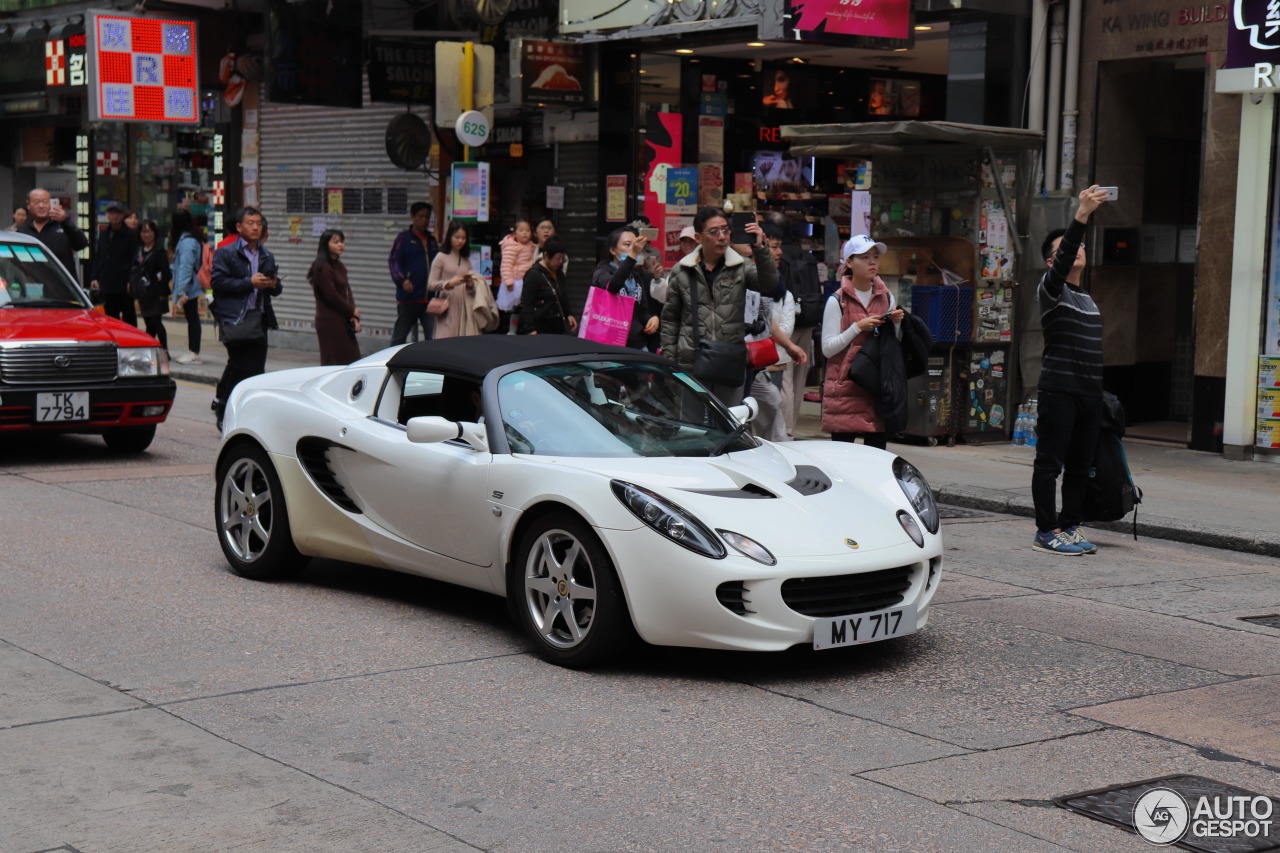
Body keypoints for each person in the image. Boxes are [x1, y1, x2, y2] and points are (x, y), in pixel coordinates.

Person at [1031, 185, 1112, 556]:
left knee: (1080, 465)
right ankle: (1046, 530)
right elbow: (1064, 258)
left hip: (1088, 395)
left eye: (1078, 244)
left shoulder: (1088, 297)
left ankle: (1071, 524)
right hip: (1059, 390)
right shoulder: (1051, 289)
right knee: (1050, 463)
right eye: (1065, 248)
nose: (1077, 249)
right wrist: (1081, 216)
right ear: (1052, 262)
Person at [660, 206, 778, 405]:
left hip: (729, 359)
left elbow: (769, 285)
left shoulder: (741, 266)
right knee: (693, 424)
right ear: (698, 238)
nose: (722, 237)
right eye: (714, 232)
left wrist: (761, 248)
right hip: (691, 362)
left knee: (730, 422)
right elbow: (670, 319)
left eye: (725, 230)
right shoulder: (682, 271)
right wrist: (671, 362)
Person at [820, 235, 903, 449]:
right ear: (849, 262)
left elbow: (892, 345)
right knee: (843, 460)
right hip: (845, 392)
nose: (872, 262)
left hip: (876, 389)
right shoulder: (837, 301)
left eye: (875, 257)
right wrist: (857, 327)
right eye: (865, 257)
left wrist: (896, 324)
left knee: (876, 462)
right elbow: (827, 349)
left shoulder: (886, 297)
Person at [211, 206, 281, 432]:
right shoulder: (227, 253)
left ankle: (247, 416)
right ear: (239, 227)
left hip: (259, 319)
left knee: (256, 371)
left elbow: (276, 289)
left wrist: (273, 285)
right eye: (250, 223)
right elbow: (218, 284)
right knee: (242, 367)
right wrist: (248, 283)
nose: (255, 227)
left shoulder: (266, 254)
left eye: (259, 223)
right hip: (235, 319)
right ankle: (223, 410)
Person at [764, 214, 822, 438]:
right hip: (806, 321)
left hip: (785, 325)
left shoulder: (776, 256)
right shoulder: (803, 254)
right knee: (799, 380)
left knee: (784, 378)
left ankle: (785, 430)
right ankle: (791, 426)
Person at [590, 227, 660, 350]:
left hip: (637, 343)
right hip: (609, 343)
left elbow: (642, 310)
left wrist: (652, 319)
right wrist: (633, 254)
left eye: (635, 245)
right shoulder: (602, 272)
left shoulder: (636, 276)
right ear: (612, 250)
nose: (633, 249)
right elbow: (613, 286)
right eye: (627, 244)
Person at [431, 221, 497, 339]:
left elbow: (470, 290)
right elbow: (431, 284)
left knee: (459, 343)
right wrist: (448, 283)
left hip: (464, 309)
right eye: (457, 237)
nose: (460, 241)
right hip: (446, 307)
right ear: (449, 236)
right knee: (444, 342)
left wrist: (470, 285)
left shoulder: (466, 260)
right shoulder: (440, 257)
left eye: (463, 238)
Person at [388, 201, 440, 346]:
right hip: (408, 299)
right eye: (421, 216)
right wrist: (402, 280)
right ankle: (392, 363)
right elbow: (394, 262)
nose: (424, 220)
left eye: (427, 217)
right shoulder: (403, 239)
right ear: (413, 217)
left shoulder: (432, 240)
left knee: (433, 337)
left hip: (428, 299)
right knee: (400, 336)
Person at [307, 229, 362, 366]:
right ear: (326, 244)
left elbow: (347, 291)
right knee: (334, 362)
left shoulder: (339, 265)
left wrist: (354, 315)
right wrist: (351, 311)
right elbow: (331, 296)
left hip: (343, 318)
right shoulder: (322, 267)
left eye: (342, 241)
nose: (340, 245)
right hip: (329, 321)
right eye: (336, 242)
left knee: (351, 359)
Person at [17, 188, 88, 280]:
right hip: (32, 284)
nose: (41, 206)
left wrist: (65, 221)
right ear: (29, 205)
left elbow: (82, 244)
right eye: (36, 202)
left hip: (61, 285)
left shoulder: (63, 226)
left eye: (45, 202)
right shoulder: (23, 231)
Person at [91, 201, 141, 326]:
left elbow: (135, 260)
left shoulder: (131, 235)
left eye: (118, 213)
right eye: (112, 213)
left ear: (123, 214)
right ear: (107, 215)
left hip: (124, 284)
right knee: (110, 317)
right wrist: (95, 276)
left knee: (128, 317)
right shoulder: (103, 234)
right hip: (106, 283)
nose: (115, 216)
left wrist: (132, 280)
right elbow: (98, 257)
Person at [519, 237, 576, 336]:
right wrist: (530, 329)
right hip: (540, 328)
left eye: (563, 258)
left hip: (557, 328)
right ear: (546, 255)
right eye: (558, 258)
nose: (561, 261)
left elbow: (563, 297)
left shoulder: (559, 274)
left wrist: (569, 314)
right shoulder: (533, 275)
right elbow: (526, 303)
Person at [169, 210, 205, 364]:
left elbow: (185, 267)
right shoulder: (190, 239)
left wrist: (181, 291)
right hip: (190, 286)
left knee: (193, 319)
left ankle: (194, 353)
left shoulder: (187, 242)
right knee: (192, 318)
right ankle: (193, 351)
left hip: (189, 288)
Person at [130, 219, 171, 352]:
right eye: (143, 231)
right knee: (148, 321)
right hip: (144, 293)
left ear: (154, 233)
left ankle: (164, 349)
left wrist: (161, 289)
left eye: (148, 231)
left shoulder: (159, 251)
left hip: (156, 292)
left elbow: (165, 273)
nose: (146, 234)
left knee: (156, 321)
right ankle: (150, 349)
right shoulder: (139, 251)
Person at [497, 220, 536, 333]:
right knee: (516, 309)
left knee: (524, 309)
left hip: (527, 280)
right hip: (516, 282)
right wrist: (508, 281)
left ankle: (524, 329)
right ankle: (512, 330)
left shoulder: (531, 245)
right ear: (514, 234)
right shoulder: (511, 247)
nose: (525, 233)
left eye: (528, 230)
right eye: (521, 230)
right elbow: (506, 265)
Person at [647, 224, 697, 304]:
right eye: (684, 241)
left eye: (691, 240)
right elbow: (664, 296)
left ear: (698, 242)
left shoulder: (705, 264)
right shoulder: (679, 267)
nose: (687, 244)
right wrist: (657, 278)